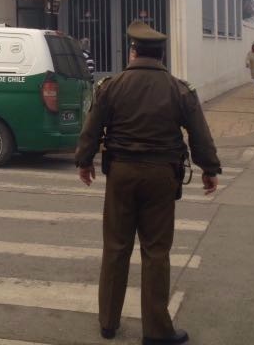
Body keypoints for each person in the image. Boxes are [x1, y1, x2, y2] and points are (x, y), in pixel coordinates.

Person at [75, 21, 221, 345]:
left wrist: (84, 161)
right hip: (161, 177)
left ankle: (108, 323)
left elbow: (91, 128)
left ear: (133, 51)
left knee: (115, 247)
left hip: (122, 174)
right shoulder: (179, 89)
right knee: (156, 252)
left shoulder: (111, 86)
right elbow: (200, 134)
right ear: (161, 55)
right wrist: (209, 169)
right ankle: (156, 331)